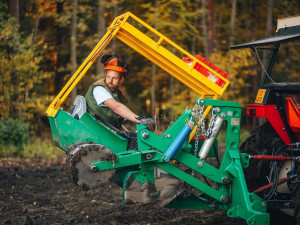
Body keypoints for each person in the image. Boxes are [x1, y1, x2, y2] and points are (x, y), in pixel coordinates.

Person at [85, 54, 155, 148]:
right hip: (98, 135)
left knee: (140, 140)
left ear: (121, 80)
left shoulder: (116, 95)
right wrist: (140, 120)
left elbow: (117, 125)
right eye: (108, 77)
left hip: (107, 134)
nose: (110, 81)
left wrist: (128, 135)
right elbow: (116, 107)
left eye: (114, 78)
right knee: (142, 146)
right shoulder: (99, 89)